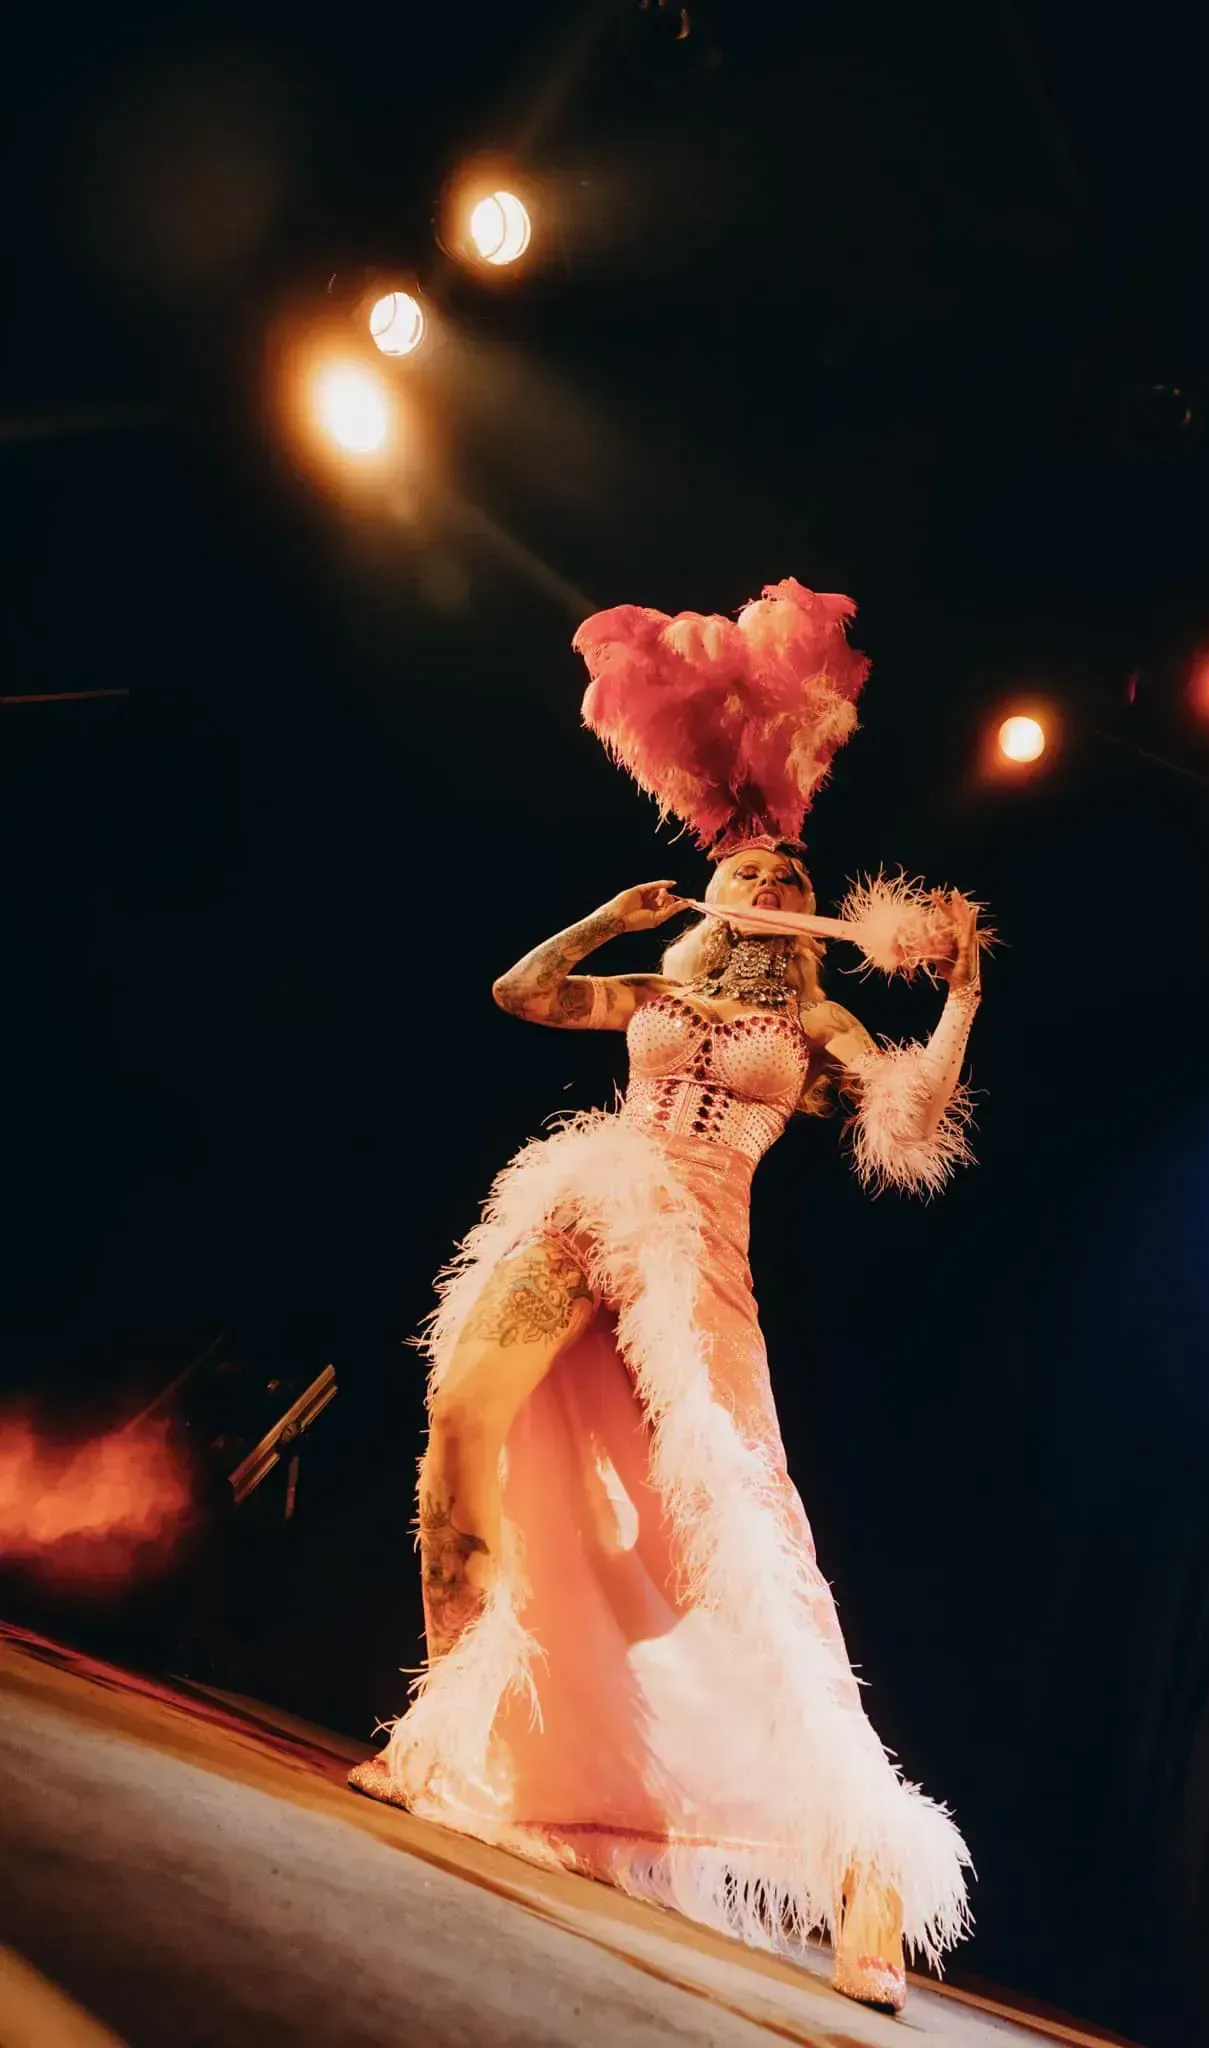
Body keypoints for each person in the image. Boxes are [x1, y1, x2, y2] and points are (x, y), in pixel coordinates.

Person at [349, 582, 984, 2012]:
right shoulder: (652, 991)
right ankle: (447, 1737)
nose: (768, 886)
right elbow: (517, 994)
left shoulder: (807, 1023)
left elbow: (912, 1114)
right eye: (752, 875)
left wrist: (956, 997)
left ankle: (866, 1884)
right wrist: (601, 919)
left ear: (808, 913)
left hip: (698, 1270)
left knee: (753, 1556)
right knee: (463, 1415)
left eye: (789, 880)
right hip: (591, 1208)